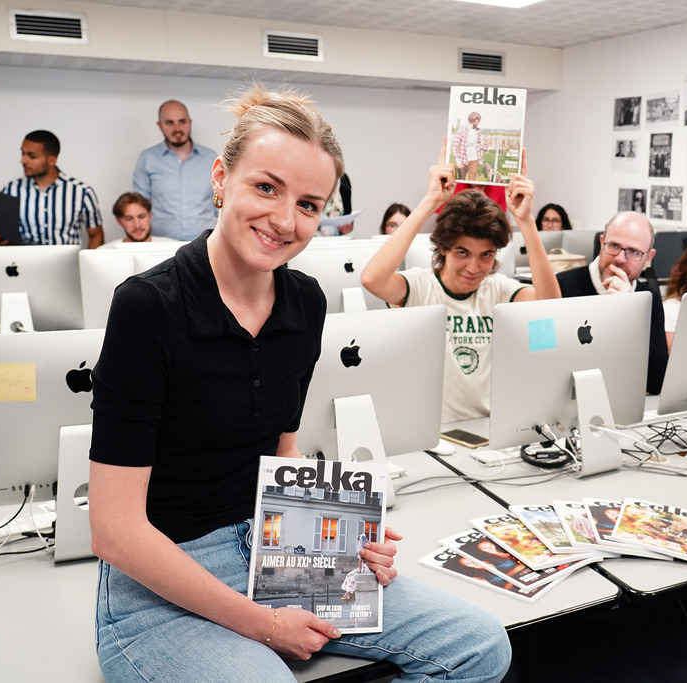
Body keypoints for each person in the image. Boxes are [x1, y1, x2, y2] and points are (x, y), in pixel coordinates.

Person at [88, 84, 510, 682]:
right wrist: (263, 623)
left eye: (310, 204)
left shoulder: (304, 301)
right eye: (266, 187)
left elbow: (281, 452)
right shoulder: (147, 307)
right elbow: (114, 530)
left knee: (480, 644)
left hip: (273, 547)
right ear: (220, 179)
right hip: (160, 581)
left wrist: (342, 533)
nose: (286, 220)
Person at [361, 145, 560, 423]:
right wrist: (431, 200)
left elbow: (550, 308)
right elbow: (372, 279)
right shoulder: (420, 287)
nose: (474, 268)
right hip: (432, 428)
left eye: (486, 255)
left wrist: (525, 220)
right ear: (444, 248)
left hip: (489, 425)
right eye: (462, 253)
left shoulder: (498, 290)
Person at [555, 211, 668, 394]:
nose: (620, 258)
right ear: (601, 243)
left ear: (648, 257)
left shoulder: (648, 297)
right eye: (614, 245)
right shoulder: (563, 285)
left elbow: (657, 382)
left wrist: (627, 313)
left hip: (623, 401)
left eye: (633, 252)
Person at [133, 100, 219, 241]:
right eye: (169, 123)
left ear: (189, 122)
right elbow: (139, 207)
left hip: (205, 245)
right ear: (159, 126)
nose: (177, 128)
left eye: (182, 121)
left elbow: (221, 205)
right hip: (160, 246)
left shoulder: (211, 158)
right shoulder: (147, 159)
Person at [1, 130, 104, 248]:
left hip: (67, 264)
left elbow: (96, 235)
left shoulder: (81, 192)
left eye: (32, 156)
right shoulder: (11, 189)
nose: (23, 160)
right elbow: (3, 234)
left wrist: (86, 265)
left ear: (51, 160)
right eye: (22, 153)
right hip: (25, 264)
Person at [100, 192, 180, 247]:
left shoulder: (172, 247)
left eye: (141, 217)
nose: (137, 225)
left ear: (149, 216)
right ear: (119, 221)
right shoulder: (104, 252)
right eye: (129, 219)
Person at [452, 112, 486, 182]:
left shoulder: (477, 131)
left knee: (472, 182)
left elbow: (478, 145)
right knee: (461, 180)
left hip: (474, 160)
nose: (479, 122)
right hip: (463, 160)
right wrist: (457, 160)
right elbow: (455, 145)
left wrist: (488, 148)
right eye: (478, 120)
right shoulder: (462, 129)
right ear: (473, 120)